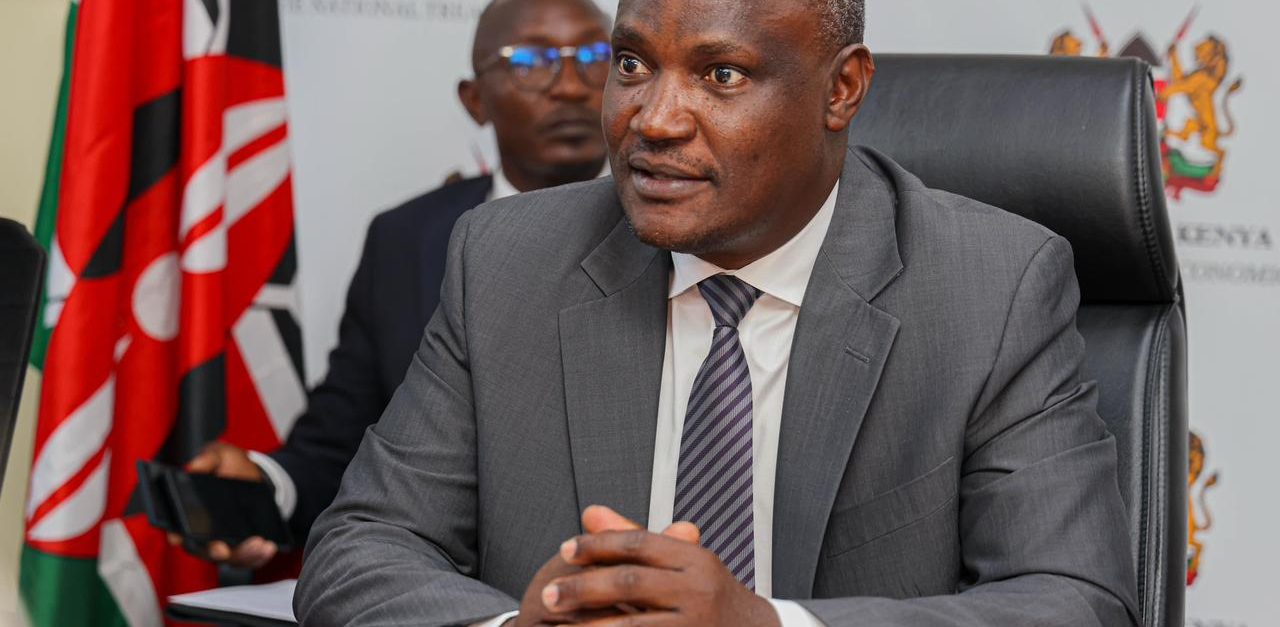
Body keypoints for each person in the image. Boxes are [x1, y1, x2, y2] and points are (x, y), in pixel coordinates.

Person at [295, 0, 1139, 624]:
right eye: (632, 64)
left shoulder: (990, 288)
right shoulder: (508, 262)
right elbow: (359, 548)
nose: (654, 120)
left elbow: (1074, 601)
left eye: (721, 74)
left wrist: (768, 625)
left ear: (842, 89)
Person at [176, 0, 613, 568]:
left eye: (599, 58)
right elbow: (347, 444)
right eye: (530, 62)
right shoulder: (407, 240)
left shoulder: (673, 229)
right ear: (474, 100)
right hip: (441, 587)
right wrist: (263, 485)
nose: (572, 87)